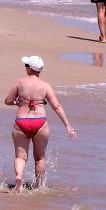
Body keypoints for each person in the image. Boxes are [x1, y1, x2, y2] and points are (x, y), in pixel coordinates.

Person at [5, 56, 76, 191]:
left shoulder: (20, 82)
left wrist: (16, 102)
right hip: (40, 122)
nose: (25, 66)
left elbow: (8, 100)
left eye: (26, 64)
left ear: (30, 68)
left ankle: (19, 176)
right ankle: (38, 187)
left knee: (20, 156)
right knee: (40, 158)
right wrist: (68, 125)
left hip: (22, 121)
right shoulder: (45, 86)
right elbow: (57, 106)